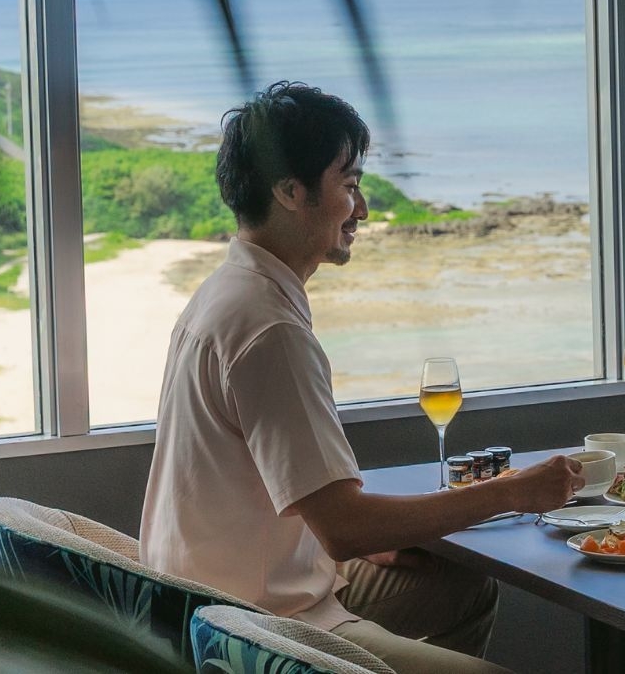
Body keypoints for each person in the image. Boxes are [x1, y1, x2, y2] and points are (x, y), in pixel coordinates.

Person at [140, 82, 583, 674]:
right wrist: (514, 492)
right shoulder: (271, 331)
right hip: (259, 623)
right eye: (348, 186)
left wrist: (373, 538)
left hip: (200, 596)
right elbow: (344, 529)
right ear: (290, 192)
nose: (363, 209)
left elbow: (298, 504)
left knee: (463, 587)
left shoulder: (226, 292)